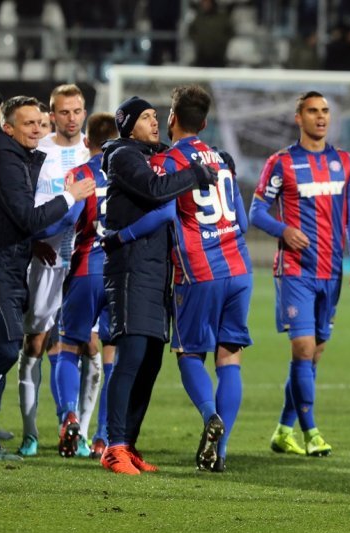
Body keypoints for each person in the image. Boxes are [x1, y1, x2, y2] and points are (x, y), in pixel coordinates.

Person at [107, 85, 252, 472]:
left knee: (189, 353)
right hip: (240, 267)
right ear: (204, 123)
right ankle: (218, 455)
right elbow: (245, 219)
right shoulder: (221, 160)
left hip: (200, 270)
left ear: (173, 119)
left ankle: (210, 417)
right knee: (230, 357)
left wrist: (120, 236)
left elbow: (164, 213)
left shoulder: (169, 162)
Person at [0, 95, 94, 460]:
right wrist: (70, 195)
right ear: (8, 127)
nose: (36, 129)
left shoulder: (11, 156)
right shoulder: (4, 161)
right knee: (4, 348)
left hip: (2, 264)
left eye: (39, 123)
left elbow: (12, 219)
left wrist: (30, 243)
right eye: (27, 123)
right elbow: (25, 217)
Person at [98, 96, 215, 475]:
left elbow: (182, 152)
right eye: (146, 117)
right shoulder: (122, 156)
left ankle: (128, 444)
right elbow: (152, 187)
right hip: (130, 271)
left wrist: (215, 159)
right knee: (130, 358)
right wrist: (195, 175)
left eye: (155, 116)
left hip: (155, 273)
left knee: (148, 364)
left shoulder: (151, 153)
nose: (154, 121)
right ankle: (112, 446)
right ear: (129, 125)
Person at [249, 91, 350, 458]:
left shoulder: (344, 162)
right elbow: (255, 212)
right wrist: (282, 231)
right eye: (313, 111)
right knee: (302, 348)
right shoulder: (281, 163)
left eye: (325, 112)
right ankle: (312, 431)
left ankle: (284, 430)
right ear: (298, 117)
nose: (321, 117)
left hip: (330, 271)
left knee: (313, 355)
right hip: (295, 270)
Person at [30, 112, 118, 460]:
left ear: (87, 142)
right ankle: (103, 436)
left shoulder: (81, 174)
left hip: (83, 269)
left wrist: (30, 235)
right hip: (120, 274)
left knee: (68, 347)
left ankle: (68, 415)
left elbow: (66, 218)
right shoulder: (134, 172)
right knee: (111, 352)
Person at [17, 84, 91, 458]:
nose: (72, 118)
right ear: (52, 113)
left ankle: (81, 431)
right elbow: (20, 207)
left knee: (88, 347)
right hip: (44, 263)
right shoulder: (36, 153)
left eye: (77, 110)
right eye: (64, 112)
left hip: (83, 265)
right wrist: (32, 241)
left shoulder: (93, 152)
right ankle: (30, 433)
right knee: (34, 344)